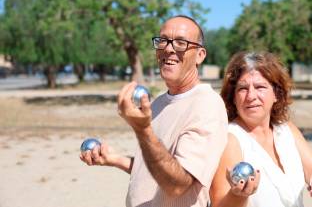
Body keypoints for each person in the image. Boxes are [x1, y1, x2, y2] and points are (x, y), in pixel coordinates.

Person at [80, 15, 228, 207]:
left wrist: (143, 130)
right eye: (163, 40)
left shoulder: (207, 105)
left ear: (200, 55)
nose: (168, 48)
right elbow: (155, 169)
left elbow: (178, 184)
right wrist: (115, 159)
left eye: (181, 43)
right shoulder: (159, 103)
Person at [210, 51, 312, 207]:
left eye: (260, 87)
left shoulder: (286, 129)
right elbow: (219, 203)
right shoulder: (230, 139)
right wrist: (239, 195)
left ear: (276, 94)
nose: (251, 96)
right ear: (233, 98)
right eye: (242, 88)